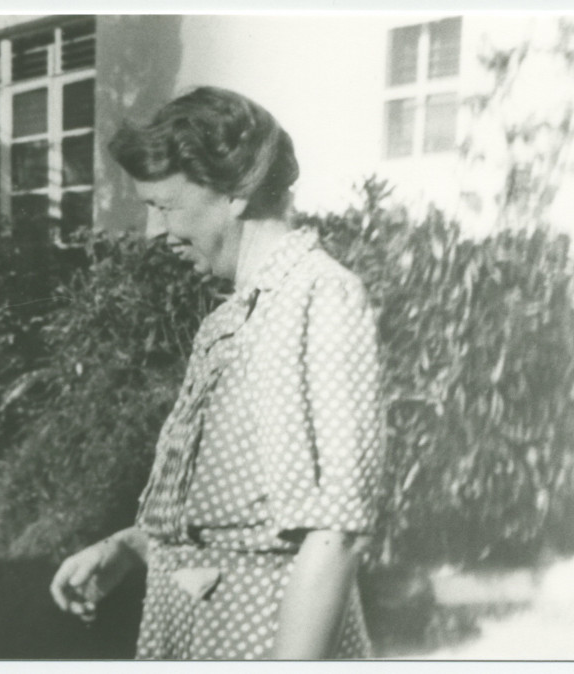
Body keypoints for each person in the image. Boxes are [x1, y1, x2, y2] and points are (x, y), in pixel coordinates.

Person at [49, 87, 384, 660]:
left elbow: (338, 530)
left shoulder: (319, 296)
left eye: (165, 206)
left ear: (234, 192)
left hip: (265, 641)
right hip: (198, 633)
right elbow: (237, 521)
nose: (153, 231)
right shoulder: (235, 316)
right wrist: (131, 546)